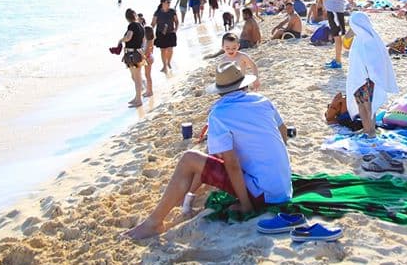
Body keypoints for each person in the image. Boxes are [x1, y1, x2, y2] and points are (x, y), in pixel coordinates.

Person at [122, 60, 292, 240]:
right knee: (214, 158)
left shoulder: (220, 113)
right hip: (283, 187)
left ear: (219, 91)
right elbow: (283, 133)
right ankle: (180, 200)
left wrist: (246, 206)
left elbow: (231, 164)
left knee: (189, 159)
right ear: (244, 84)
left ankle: (154, 223)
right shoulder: (262, 100)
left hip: (264, 194)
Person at [346, 12, 399, 136]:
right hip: (360, 78)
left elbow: (374, 61)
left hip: (366, 79)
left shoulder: (367, 40)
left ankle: (370, 131)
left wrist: (370, 76)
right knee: (363, 105)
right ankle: (368, 129)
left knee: (368, 106)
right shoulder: (364, 38)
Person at [117, 8, 145, 106]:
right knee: (135, 76)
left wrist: (120, 40)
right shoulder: (141, 26)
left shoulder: (132, 25)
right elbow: (143, 40)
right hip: (138, 52)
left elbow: (128, 37)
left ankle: (139, 100)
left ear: (127, 18)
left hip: (133, 54)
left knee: (136, 77)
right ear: (135, 15)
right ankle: (137, 97)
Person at [152, 0, 179, 73]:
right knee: (163, 50)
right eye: (168, 2)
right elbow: (153, 23)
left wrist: (175, 29)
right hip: (160, 33)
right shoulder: (157, 12)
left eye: (169, 2)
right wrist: (149, 34)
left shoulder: (172, 11)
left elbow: (176, 21)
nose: (169, 4)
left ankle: (169, 62)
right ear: (162, 3)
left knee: (170, 49)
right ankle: (164, 66)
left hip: (171, 32)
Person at [142, 25, 155, 98]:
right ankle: (149, 90)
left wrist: (142, 55)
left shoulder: (149, 41)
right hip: (149, 57)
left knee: (147, 76)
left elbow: (147, 52)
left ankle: (150, 91)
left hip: (148, 58)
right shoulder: (150, 39)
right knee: (147, 75)